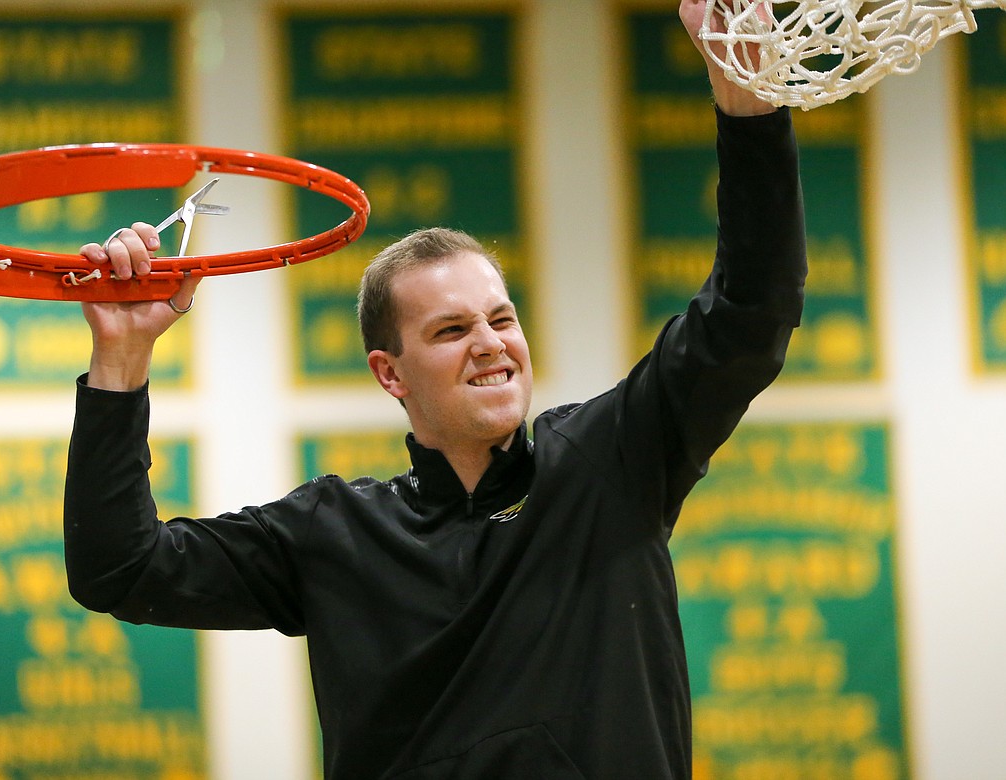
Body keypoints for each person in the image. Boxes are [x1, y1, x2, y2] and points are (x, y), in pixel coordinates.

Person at [64, 2, 806, 777]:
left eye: (501, 319)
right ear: (391, 373)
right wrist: (121, 355)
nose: (491, 344)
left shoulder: (612, 458)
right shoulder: (332, 535)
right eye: (451, 331)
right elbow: (120, 570)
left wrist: (745, 94)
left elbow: (754, 307)